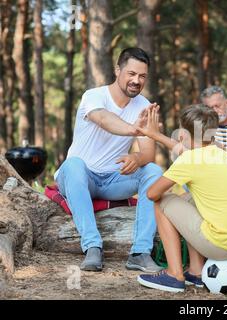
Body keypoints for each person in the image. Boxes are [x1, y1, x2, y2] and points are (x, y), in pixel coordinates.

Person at [54, 48, 163, 273]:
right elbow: (104, 119)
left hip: (113, 180)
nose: (136, 80)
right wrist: (135, 130)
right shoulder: (93, 96)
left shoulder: (144, 105)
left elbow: (148, 154)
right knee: (74, 164)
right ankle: (93, 247)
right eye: (131, 74)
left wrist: (137, 157)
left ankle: (140, 253)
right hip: (80, 178)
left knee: (153, 170)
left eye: (142, 76)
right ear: (117, 70)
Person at [135, 105, 227, 292]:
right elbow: (185, 151)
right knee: (189, 198)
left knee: (161, 202)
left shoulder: (189, 161)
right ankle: (196, 272)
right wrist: (155, 135)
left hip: (220, 246)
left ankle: (174, 274)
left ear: (183, 134)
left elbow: (152, 194)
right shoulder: (218, 151)